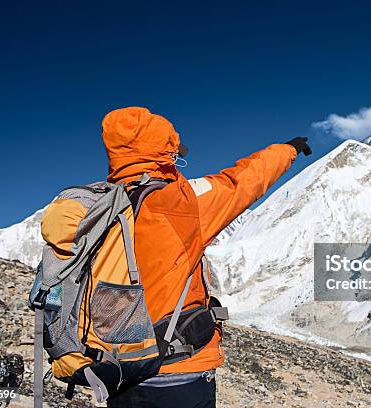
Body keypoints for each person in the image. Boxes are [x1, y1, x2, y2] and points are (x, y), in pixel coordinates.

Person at [102, 106, 311, 408]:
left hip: (119, 373)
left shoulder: (99, 210)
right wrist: (287, 150)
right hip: (178, 372)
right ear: (166, 150)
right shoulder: (178, 203)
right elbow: (240, 183)